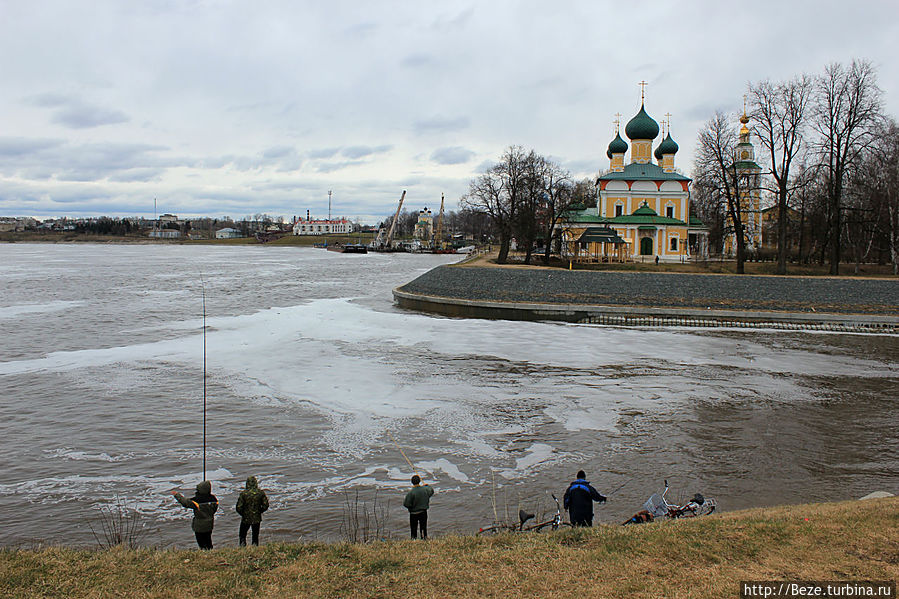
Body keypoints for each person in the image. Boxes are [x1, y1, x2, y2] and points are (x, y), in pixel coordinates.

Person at [173, 480, 219, 549]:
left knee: (201, 543)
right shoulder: (214, 499)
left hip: (199, 526)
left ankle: (205, 554)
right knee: (208, 541)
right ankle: (210, 552)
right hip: (209, 524)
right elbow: (214, 510)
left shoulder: (197, 501)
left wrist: (177, 495)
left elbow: (185, 502)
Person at [236, 475, 269, 546]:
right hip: (257, 518)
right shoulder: (260, 493)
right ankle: (255, 548)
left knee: (242, 535)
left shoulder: (244, 494)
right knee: (255, 536)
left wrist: (244, 514)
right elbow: (265, 505)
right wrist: (259, 511)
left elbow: (238, 507)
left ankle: (242, 548)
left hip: (245, 518)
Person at [403, 474, 434, 539]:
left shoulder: (411, 493)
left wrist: (411, 507)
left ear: (412, 482)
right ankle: (424, 538)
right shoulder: (425, 490)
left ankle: (414, 540)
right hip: (423, 512)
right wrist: (427, 486)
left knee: (413, 528)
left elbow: (406, 504)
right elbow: (431, 491)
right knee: (423, 527)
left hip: (413, 514)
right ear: (419, 481)